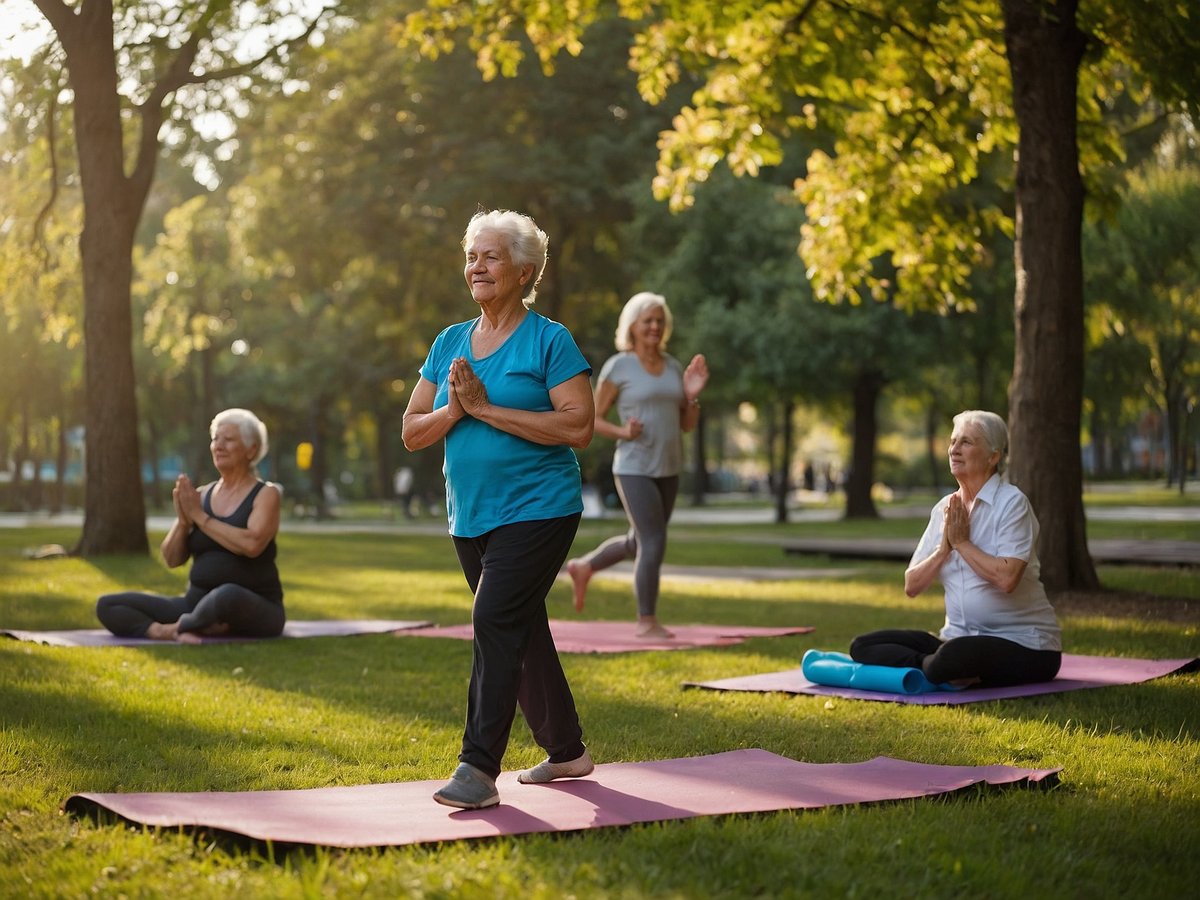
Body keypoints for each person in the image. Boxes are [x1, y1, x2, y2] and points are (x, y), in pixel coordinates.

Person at [402, 209, 596, 809]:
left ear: (524, 271)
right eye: (471, 257)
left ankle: (478, 769)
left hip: (540, 508)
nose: (477, 267)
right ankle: (567, 750)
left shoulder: (550, 341)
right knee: (520, 627)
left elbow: (579, 426)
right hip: (471, 514)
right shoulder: (449, 342)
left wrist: (487, 410)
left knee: (494, 619)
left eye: (491, 257)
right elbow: (412, 430)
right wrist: (456, 411)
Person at [849, 410, 1061, 687]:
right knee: (863, 645)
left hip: (1025, 643)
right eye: (953, 441)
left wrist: (962, 543)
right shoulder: (944, 509)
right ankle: (936, 667)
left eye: (966, 442)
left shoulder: (1012, 504)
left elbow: (1007, 579)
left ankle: (938, 667)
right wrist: (943, 550)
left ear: (993, 457)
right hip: (956, 638)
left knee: (953, 655)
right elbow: (911, 585)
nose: (954, 450)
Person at [565, 292, 708, 639]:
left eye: (660, 321)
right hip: (633, 466)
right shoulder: (619, 366)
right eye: (648, 320)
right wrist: (623, 432)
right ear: (633, 325)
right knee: (654, 539)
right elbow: (592, 418)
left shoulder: (673, 367)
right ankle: (647, 620)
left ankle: (585, 566)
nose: (655, 326)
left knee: (640, 540)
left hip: (669, 466)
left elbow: (686, 424)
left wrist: (691, 397)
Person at [96, 408, 285, 644]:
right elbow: (171, 559)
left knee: (227, 594)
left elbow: (252, 544)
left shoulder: (266, 494)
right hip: (195, 602)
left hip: (252, 606)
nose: (219, 446)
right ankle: (165, 631)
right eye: (215, 439)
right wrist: (184, 523)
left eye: (228, 439)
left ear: (251, 450)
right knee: (108, 604)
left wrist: (199, 517)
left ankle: (186, 626)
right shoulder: (200, 496)